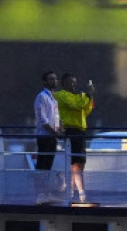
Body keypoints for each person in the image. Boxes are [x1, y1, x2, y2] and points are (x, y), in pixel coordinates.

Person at [54, 73, 94, 203]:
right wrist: (88, 95)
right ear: (64, 83)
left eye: (75, 82)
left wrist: (89, 97)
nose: (74, 85)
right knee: (74, 162)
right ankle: (80, 193)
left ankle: (70, 190)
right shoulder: (61, 95)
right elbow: (78, 105)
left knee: (79, 162)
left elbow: (85, 110)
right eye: (71, 82)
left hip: (80, 131)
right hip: (70, 131)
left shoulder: (78, 97)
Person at [34, 71, 61, 204]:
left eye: (55, 79)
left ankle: (46, 193)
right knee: (42, 166)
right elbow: (43, 119)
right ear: (44, 82)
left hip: (52, 136)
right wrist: (54, 132)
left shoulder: (54, 97)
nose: (54, 81)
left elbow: (55, 118)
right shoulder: (42, 97)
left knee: (48, 166)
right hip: (45, 136)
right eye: (51, 79)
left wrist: (59, 130)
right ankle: (40, 194)